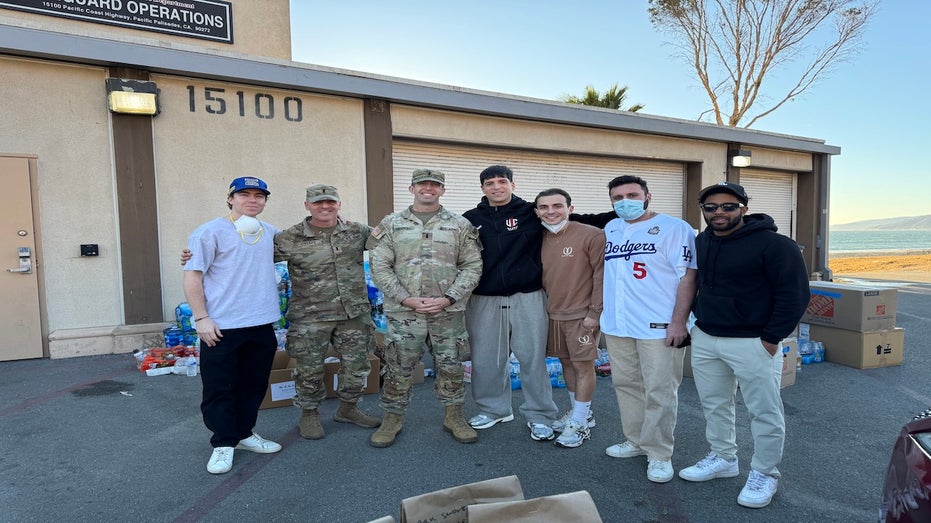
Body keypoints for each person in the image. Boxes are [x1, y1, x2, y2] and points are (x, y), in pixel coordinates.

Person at [679, 182, 809, 509]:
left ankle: (765, 473)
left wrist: (770, 339)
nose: (719, 212)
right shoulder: (702, 242)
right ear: (704, 211)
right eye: (711, 207)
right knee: (715, 404)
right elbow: (695, 284)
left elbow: (794, 296)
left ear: (743, 208)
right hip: (707, 337)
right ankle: (724, 458)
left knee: (764, 411)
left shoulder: (776, 245)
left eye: (728, 206)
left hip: (754, 341)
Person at [368, 169, 483, 447]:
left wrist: (449, 297)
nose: (428, 189)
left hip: (447, 312)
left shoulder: (460, 224)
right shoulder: (392, 224)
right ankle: (392, 418)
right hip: (405, 313)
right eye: (422, 185)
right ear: (412, 188)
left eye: (435, 185)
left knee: (451, 364)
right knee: (398, 366)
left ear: (442, 190)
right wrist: (405, 298)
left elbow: (472, 265)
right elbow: (380, 266)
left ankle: (454, 416)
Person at [600, 175, 697, 483]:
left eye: (631, 194)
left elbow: (688, 277)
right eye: (617, 197)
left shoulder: (675, 228)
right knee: (626, 385)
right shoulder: (611, 228)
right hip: (618, 325)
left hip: (659, 326)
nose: (624, 201)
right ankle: (636, 442)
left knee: (660, 390)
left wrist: (679, 321)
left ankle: (659, 453)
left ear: (647, 196)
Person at [183, 176, 283, 475]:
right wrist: (201, 318)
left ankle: (244, 434)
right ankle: (223, 443)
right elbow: (192, 276)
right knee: (219, 387)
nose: (252, 200)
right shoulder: (210, 232)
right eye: (244, 194)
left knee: (253, 386)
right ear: (230, 199)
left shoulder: (269, 232)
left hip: (261, 323)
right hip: (222, 326)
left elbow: (305, 242)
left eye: (259, 195)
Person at [274, 184, 380, 440]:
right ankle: (309, 413)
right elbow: (247, 258)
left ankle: (348, 409)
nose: (325, 206)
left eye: (330, 202)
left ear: (339, 205)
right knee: (310, 369)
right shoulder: (290, 237)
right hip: (311, 317)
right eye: (318, 202)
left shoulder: (356, 231)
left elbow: (388, 241)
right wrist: (197, 256)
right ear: (307, 205)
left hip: (352, 314)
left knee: (357, 367)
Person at [463, 165, 559, 442]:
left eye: (502, 181)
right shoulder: (470, 219)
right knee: (485, 359)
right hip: (485, 298)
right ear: (482, 188)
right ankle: (494, 409)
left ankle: (540, 415)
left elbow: (574, 219)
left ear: (512, 185)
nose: (496, 187)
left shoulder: (532, 212)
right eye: (490, 183)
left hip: (527, 295)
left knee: (532, 358)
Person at [533, 188, 605, 449]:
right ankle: (579, 413)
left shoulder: (591, 235)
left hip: (581, 316)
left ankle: (580, 422)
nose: (551, 211)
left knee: (583, 366)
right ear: (536, 211)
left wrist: (594, 313)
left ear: (570, 208)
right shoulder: (537, 237)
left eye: (557, 206)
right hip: (552, 314)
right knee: (566, 363)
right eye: (544, 207)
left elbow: (600, 275)